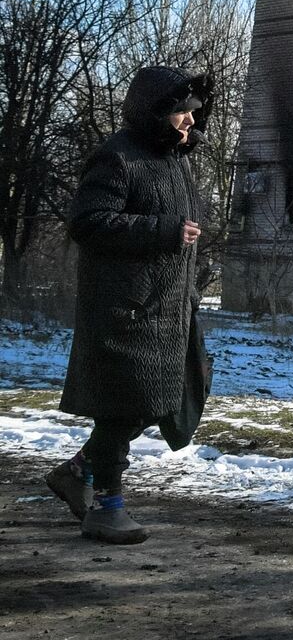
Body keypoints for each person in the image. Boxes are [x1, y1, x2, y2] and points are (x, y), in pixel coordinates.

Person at [46, 66, 214, 546]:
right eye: (181, 111)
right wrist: (160, 231)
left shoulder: (176, 159)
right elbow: (88, 221)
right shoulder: (117, 157)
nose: (188, 121)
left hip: (170, 307)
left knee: (169, 398)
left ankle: (78, 472)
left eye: (191, 112)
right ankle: (106, 507)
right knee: (122, 409)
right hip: (125, 310)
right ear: (153, 113)